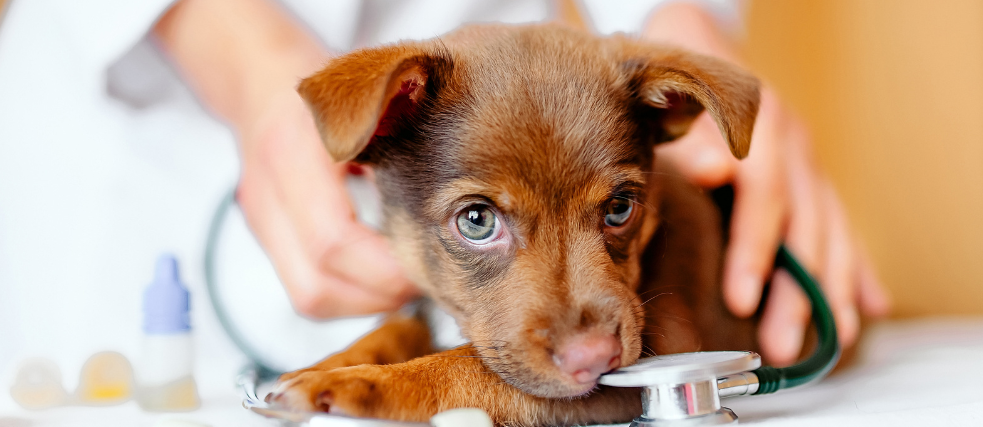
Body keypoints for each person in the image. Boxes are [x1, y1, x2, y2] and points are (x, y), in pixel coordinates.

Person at [152, 0, 889, 366]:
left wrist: (675, 12)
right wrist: (250, 64)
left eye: (618, 210)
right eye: (479, 219)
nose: (587, 347)